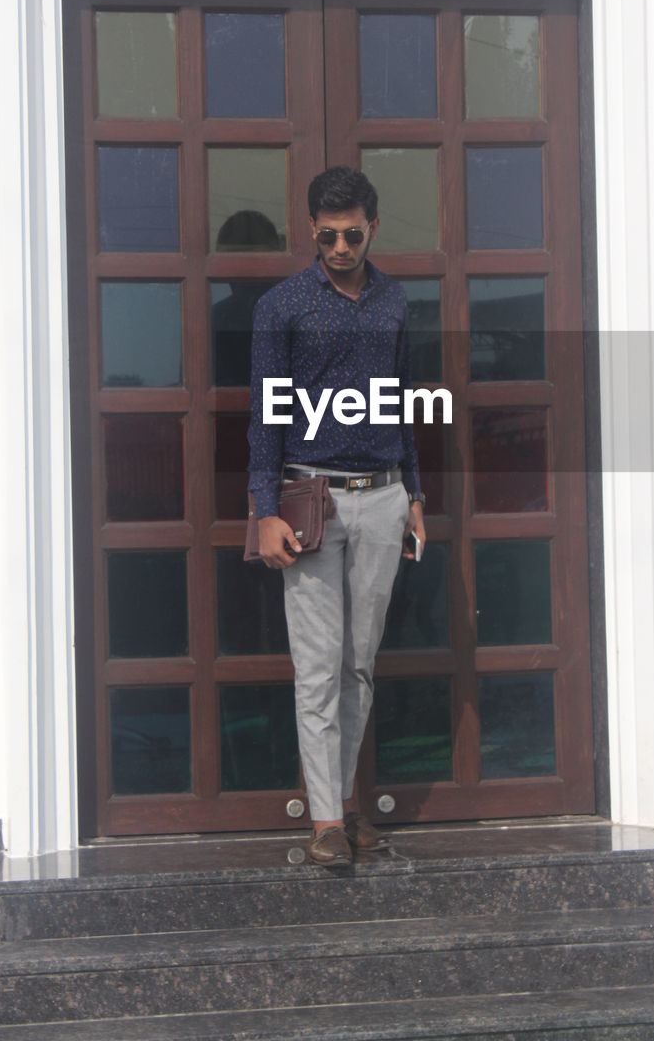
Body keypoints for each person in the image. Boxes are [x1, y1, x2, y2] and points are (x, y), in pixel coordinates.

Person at [247, 165, 427, 867]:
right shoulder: (282, 306)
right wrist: (265, 509)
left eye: (353, 233)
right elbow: (265, 418)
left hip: (382, 497)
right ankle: (325, 819)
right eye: (328, 236)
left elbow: (399, 399)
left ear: (372, 228)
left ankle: (348, 806)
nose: (341, 246)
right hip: (311, 499)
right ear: (311, 231)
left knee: (359, 664)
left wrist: (412, 492)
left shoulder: (393, 302)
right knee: (319, 665)